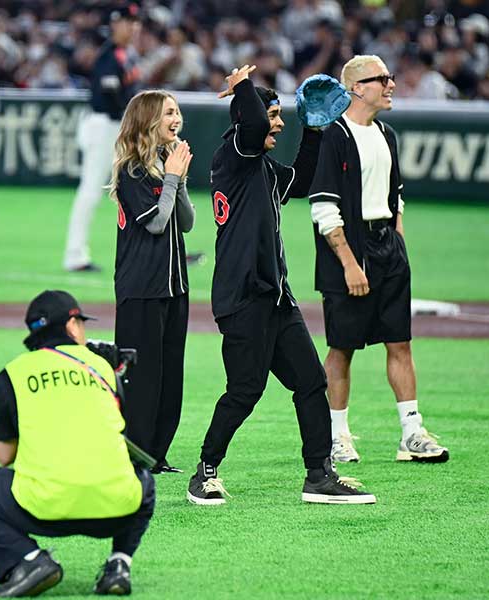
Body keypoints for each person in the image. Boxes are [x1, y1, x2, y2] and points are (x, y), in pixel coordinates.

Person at [186, 65, 377, 505]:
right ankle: (206, 471)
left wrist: (312, 132)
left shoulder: (263, 167)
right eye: (274, 115)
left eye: (280, 115)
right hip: (242, 297)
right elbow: (251, 122)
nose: (278, 122)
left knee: (311, 382)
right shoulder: (235, 154)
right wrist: (243, 88)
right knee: (245, 390)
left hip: (275, 298)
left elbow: (303, 180)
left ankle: (318, 475)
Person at [0, 290, 156, 597]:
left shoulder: (12, 374)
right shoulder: (103, 367)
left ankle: (30, 560)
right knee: (142, 476)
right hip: (115, 509)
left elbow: (3, 455)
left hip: (43, 510)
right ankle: (119, 564)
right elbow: (116, 432)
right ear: (72, 325)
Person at [308, 55, 449, 464]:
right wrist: (350, 263)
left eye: (389, 77)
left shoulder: (387, 133)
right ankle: (337, 435)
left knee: (400, 343)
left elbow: (395, 193)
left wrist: (397, 242)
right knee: (342, 347)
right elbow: (323, 207)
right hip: (351, 252)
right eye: (380, 79)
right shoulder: (332, 136)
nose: (390, 85)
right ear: (356, 88)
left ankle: (411, 433)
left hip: (387, 249)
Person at [110, 90, 195, 474]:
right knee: (142, 380)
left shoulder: (164, 162)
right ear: (148, 121)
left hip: (174, 288)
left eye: (177, 111)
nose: (176, 118)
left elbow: (187, 222)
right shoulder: (132, 170)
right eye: (167, 113)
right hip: (142, 289)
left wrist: (180, 180)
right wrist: (173, 179)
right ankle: (133, 457)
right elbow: (157, 224)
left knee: (169, 377)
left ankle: (156, 455)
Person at [63, 4, 141, 273]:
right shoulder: (109, 57)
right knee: (90, 191)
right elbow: (114, 99)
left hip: (118, 127)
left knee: (141, 187)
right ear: (115, 25)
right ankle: (74, 255)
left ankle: (153, 250)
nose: (132, 27)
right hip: (104, 126)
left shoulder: (124, 55)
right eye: (127, 22)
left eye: (134, 22)